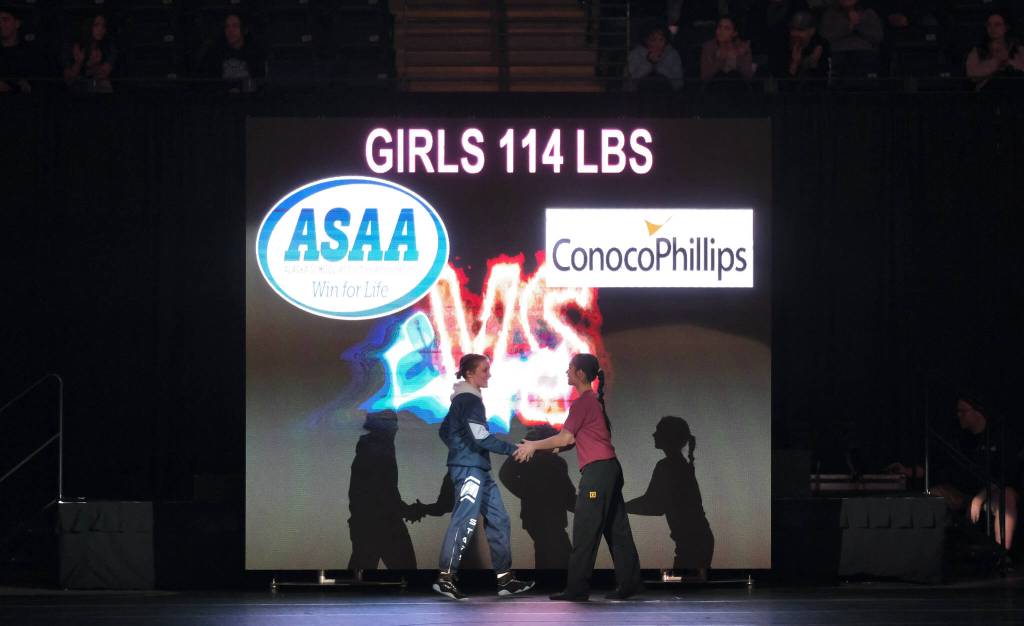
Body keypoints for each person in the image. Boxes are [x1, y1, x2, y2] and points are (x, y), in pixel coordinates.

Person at [515, 354, 643, 602]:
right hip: (609, 471)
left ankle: (576, 588)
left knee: (585, 527)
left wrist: (532, 445)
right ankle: (630, 583)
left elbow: (565, 437)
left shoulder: (583, 403)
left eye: (570, 368)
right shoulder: (592, 402)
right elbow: (571, 441)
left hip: (597, 476)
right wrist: (542, 449)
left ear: (581, 374)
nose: (567, 372)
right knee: (617, 529)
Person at [433, 353, 534, 600]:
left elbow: (445, 431)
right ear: (470, 374)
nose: (489, 375)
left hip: (477, 468)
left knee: (499, 518)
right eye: (484, 370)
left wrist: (460, 448)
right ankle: (445, 579)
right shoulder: (469, 400)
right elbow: (480, 437)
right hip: (470, 469)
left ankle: (505, 579)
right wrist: (513, 449)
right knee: (465, 520)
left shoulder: (463, 399)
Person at [888, 395, 1020, 554]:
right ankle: (922, 553)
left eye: (963, 411)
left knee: (1008, 496)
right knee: (928, 497)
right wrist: (908, 471)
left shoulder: (999, 436)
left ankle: (1001, 554)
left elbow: (1005, 475)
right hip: (961, 492)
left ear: (978, 411)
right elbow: (936, 465)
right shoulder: (958, 437)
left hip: (991, 492)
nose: (959, 415)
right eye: (958, 412)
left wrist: (980, 498)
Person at [626, 416, 715, 572]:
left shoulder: (667, 466)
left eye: (658, 430)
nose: (654, 434)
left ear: (668, 436)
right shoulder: (677, 465)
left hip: (692, 542)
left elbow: (654, 505)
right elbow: (655, 503)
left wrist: (620, 507)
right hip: (696, 540)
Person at [499, 425, 576, 569]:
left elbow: (567, 495)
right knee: (557, 555)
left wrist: (588, 505)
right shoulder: (531, 455)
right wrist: (530, 494)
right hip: (539, 516)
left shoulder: (558, 463)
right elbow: (506, 475)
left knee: (550, 555)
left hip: (550, 517)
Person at [197, 12, 265, 91]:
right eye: (227, 26)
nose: (230, 30)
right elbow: (206, 82)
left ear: (244, 30)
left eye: (235, 26)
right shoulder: (215, 53)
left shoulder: (255, 53)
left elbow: (261, 82)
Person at [820, 0, 884, 77]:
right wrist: (849, 27)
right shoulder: (831, 14)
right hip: (839, 53)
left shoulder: (868, 13)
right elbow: (826, 35)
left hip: (864, 53)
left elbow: (878, 37)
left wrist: (858, 25)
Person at [965, 12, 1024, 90]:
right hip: (989, 91)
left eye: (997, 25)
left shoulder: (1018, 49)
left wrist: (1010, 64)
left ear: (1006, 27)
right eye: (989, 25)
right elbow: (972, 75)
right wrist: (996, 62)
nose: (992, 28)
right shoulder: (978, 50)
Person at [62, 14, 116, 93]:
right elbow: (68, 80)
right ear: (89, 26)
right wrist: (79, 63)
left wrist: (95, 67)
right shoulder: (76, 46)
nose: (100, 29)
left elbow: (104, 75)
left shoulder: (107, 48)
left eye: (103, 26)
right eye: (96, 25)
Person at [626, 23, 684, 91]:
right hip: (640, 95)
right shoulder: (635, 54)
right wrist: (649, 62)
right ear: (645, 40)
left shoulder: (672, 54)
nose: (657, 44)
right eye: (653, 40)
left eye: (661, 39)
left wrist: (659, 65)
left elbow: (679, 83)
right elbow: (629, 83)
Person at [0, 8, 46, 95]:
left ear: (17, 23)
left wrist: (14, 86)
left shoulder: (30, 53)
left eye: (5, 20)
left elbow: (36, 84)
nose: (1, 24)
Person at [776, 10, 830, 79]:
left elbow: (822, 79)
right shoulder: (783, 45)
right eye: (793, 29)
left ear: (812, 31)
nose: (795, 34)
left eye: (800, 30)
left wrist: (812, 64)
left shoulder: (820, 46)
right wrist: (795, 63)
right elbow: (782, 80)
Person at [700, 15, 754, 81]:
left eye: (726, 28)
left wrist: (739, 56)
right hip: (715, 85)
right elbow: (705, 77)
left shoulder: (742, 47)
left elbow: (748, 76)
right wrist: (720, 60)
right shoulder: (708, 47)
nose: (721, 31)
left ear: (734, 33)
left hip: (737, 85)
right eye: (719, 27)